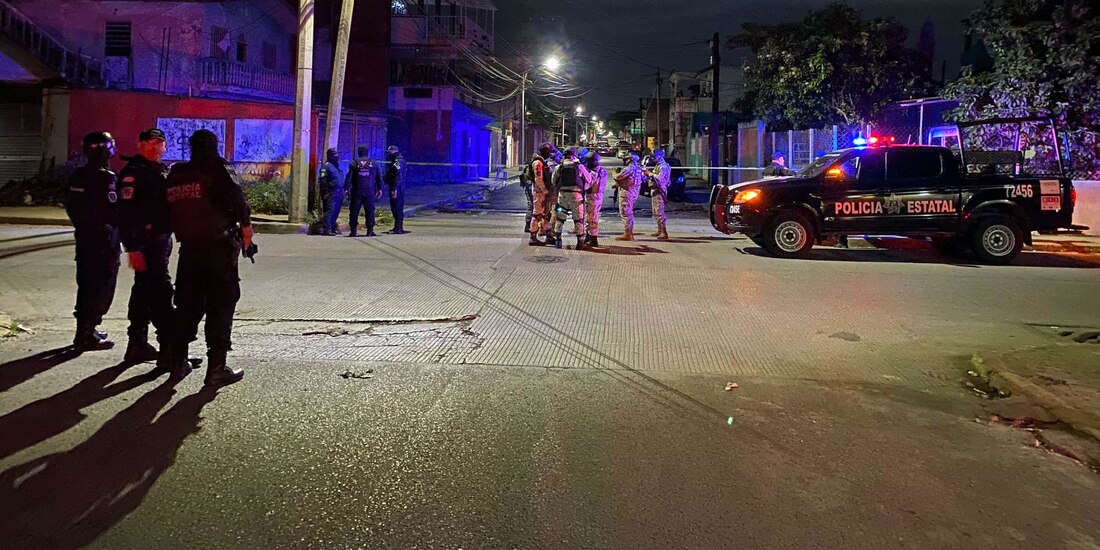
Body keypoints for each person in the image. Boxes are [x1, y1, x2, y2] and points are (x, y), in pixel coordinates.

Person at [163, 129, 251, 386]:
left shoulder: (177, 173)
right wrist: (246, 228)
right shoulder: (218, 168)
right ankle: (217, 367)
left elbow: (167, 208)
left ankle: (178, 363)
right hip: (218, 248)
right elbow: (237, 200)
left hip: (189, 249)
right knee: (221, 304)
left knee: (187, 306)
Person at [117, 128, 178, 364]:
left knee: (143, 291)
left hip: (161, 240)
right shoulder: (134, 172)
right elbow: (124, 212)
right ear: (140, 145)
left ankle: (137, 345)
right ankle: (169, 349)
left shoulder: (162, 170)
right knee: (162, 292)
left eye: (159, 143)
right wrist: (132, 247)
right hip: (145, 242)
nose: (156, 147)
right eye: (151, 143)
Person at [65, 132, 121, 351]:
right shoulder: (105, 177)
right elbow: (112, 210)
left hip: (84, 240)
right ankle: (87, 334)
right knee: (102, 286)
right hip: (103, 242)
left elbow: (72, 207)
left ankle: (85, 330)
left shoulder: (78, 175)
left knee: (86, 284)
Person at [550, 148, 591, 250]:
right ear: (574, 155)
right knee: (578, 220)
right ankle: (580, 243)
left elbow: (553, 181)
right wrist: (583, 188)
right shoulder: (579, 167)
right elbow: (589, 179)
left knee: (560, 218)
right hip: (576, 197)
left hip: (562, 197)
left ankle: (558, 240)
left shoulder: (559, 167)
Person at [347, 146, 383, 237]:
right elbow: (379, 177)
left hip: (357, 190)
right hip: (370, 190)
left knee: (354, 211)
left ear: (358, 152)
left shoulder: (354, 163)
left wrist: (346, 189)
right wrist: (380, 189)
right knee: (370, 210)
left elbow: (349, 177)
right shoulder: (374, 163)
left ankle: (353, 231)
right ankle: (370, 231)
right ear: (367, 152)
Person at [614, 152, 646, 241]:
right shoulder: (639, 169)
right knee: (629, 213)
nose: (625, 161)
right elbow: (643, 179)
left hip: (627, 193)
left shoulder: (629, 169)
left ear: (630, 160)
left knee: (626, 213)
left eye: (626, 159)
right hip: (634, 192)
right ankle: (629, 233)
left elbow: (618, 177)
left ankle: (628, 234)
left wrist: (614, 172)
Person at [645, 149, 671, 240]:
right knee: (655, 211)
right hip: (655, 190)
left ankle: (664, 232)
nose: (653, 158)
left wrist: (650, 173)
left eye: (654, 156)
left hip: (660, 191)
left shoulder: (663, 167)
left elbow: (659, 178)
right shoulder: (658, 166)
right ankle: (660, 230)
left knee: (659, 212)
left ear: (660, 156)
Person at [318, 148, 345, 235]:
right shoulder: (326, 166)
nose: (337, 156)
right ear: (330, 156)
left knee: (336, 211)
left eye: (337, 154)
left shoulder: (337, 165)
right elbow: (322, 180)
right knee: (329, 211)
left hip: (339, 192)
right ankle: (327, 229)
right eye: (335, 154)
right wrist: (325, 192)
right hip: (330, 192)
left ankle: (333, 228)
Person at [583, 151, 608, 247]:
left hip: (592, 196)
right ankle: (589, 236)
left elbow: (587, 185)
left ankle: (593, 238)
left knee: (591, 218)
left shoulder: (594, 173)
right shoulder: (602, 170)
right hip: (598, 196)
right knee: (591, 216)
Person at [383, 145, 408, 234]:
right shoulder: (395, 161)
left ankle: (398, 227)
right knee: (395, 207)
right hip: (397, 186)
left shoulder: (398, 161)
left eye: (389, 152)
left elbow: (398, 175)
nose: (388, 154)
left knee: (397, 207)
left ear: (394, 151)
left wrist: (395, 188)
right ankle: (397, 226)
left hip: (397, 187)